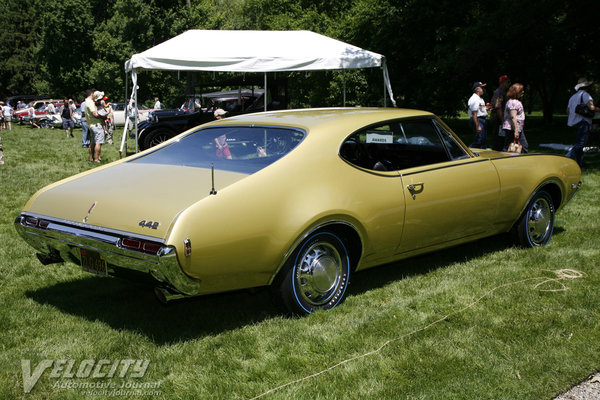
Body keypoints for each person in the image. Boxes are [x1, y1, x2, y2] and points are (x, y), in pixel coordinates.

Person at [566, 78, 596, 167]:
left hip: (574, 122)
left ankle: (580, 162)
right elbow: (591, 107)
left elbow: (567, 111)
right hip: (583, 121)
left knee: (579, 142)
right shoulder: (586, 95)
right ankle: (568, 157)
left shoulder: (572, 97)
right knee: (581, 143)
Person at [502, 83, 528, 153]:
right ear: (516, 92)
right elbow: (513, 117)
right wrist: (516, 131)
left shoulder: (513, 101)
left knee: (509, 146)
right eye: (521, 90)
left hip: (516, 128)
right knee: (523, 147)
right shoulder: (513, 102)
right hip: (512, 128)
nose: (523, 92)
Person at [489, 75, 511, 151]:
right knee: (498, 140)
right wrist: (502, 121)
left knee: (501, 139)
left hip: (499, 120)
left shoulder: (502, 92)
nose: (509, 84)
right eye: (507, 82)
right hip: (497, 120)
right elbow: (498, 107)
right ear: (503, 82)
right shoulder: (499, 93)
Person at [85, 91, 106, 163]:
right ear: (91, 94)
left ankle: (91, 158)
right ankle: (96, 159)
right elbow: (94, 114)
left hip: (91, 125)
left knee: (93, 143)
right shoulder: (90, 102)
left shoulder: (86, 102)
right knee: (98, 142)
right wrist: (103, 117)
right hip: (96, 125)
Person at [468, 82, 488, 149]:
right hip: (478, 120)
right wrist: (477, 126)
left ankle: (482, 155)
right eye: (482, 88)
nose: (483, 89)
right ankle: (468, 151)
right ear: (477, 89)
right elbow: (474, 113)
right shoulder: (474, 99)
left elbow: (480, 110)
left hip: (481, 120)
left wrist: (487, 108)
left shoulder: (480, 99)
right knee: (479, 140)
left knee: (483, 141)